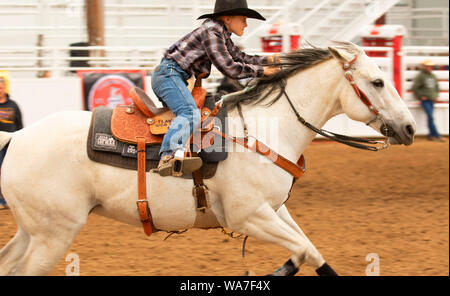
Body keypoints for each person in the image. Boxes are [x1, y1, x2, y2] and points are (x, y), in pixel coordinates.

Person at [152, 0, 280, 176]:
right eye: (243, 18)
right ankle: (168, 155)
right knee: (190, 113)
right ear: (227, 18)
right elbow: (229, 67)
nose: (246, 23)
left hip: (173, 75)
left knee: (191, 113)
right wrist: (262, 71)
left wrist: (267, 61)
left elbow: (239, 57)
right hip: (169, 75)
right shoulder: (212, 32)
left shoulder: (220, 33)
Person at [0, 77, 23, 209]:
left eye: (1, 88)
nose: (0, 90)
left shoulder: (13, 105)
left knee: (10, 172)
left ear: (5, 89)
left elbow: (19, 123)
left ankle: (9, 199)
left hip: (10, 142)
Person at [411, 59, 445, 142]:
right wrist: (421, 96)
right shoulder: (421, 76)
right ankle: (436, 135)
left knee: (430, 117)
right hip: (425, 100)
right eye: (428, 66)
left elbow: (436, 87)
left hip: (431, 99)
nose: (430, 67)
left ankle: (431, 135)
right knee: (430, 117)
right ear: (425, 67)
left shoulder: (433, 76)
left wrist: (435, 96)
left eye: (430, 66)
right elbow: (415, 87)